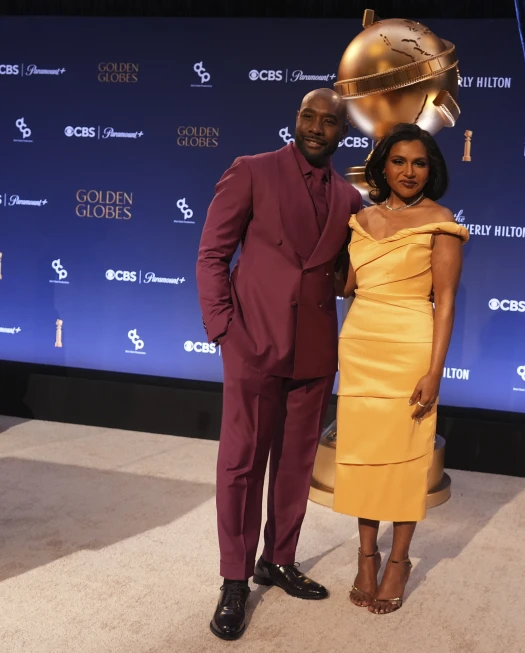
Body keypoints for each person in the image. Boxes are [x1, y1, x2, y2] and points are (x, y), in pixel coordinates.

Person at [196, 88, 362, 640]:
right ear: (296, 120)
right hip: (252, 342)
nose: (317, 127)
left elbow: (341, 275)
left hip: (315, 348)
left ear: (343, 131)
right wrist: (223, 328)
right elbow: (212, 255)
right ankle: (235, 577)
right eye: (308, 117)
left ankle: (280, 558)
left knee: (295, 466)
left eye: (329, 121)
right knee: (241, 463)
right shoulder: (252, 171)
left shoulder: (348, 198)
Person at [333, 123, 468, 614]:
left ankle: (399, 561)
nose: (409, 171)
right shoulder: (360, 219)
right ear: (382, 166)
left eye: (420, 163)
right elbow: (344, 286)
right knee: (368, 456)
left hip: (410, 344)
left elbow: (446, 303)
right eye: (399, 161)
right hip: (361, 345)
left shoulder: (441, 220)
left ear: (431, 170)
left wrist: (435, 373)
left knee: (407, 458)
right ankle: (366, 555)